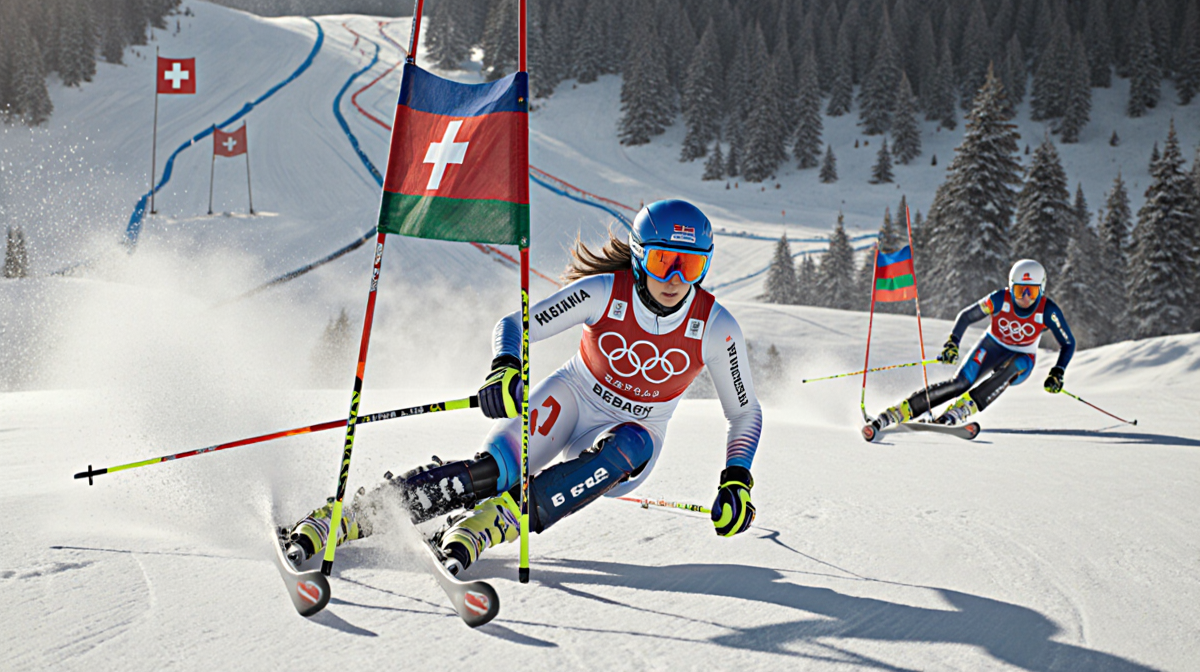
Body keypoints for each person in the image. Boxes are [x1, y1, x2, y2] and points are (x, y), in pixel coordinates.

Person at [281, 200, 765, 574]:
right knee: (496, 470)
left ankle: (491, 524)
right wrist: (505, 366)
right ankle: (355, 515)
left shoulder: (716, 327)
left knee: (627, 448)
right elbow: (515, 324)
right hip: (572, 397)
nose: (676, 280)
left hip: (638, 428)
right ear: (639, 258)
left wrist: (736, 478)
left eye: (691, 266)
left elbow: (743, 412)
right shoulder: (603, 292)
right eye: (663, 262)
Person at [866, 259, 1075, 435]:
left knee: (1015, 366)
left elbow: (1068, 343)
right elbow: (966, 316)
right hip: (992, 345)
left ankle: (959, 411)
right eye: (1020, 291)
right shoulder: (999, 299)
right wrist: (953, 343)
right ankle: (901, 410)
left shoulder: (1048, 311)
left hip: (1023, 356)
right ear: (1011, 287)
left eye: (1032, 291)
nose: (1025, 298)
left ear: (1042, 289)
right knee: (961, 383)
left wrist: (1058, 372)